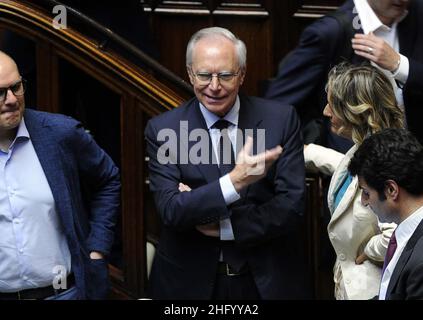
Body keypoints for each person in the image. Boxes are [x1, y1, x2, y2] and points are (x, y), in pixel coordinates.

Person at [145, 27, 310, 299]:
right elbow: (172, 211)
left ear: (241, 74)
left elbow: (291, 206)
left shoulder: (279, 120)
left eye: (224, 75)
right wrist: (235, 182)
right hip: (189, 284)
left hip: (265, 282)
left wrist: (225, 225)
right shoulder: (164, 130)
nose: (214, 86)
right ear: (189, 73)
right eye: (203, 75)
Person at [0, 51, 120, 300]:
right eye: (0, 92)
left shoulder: (59, 133)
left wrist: (96, 248)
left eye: (16, 87)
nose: (11, 99)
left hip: (64, 293)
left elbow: (107, 179)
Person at [264, 0, 423, 151]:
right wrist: (315, 152)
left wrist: (400, 64)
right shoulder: (330, 32)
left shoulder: (416, 12)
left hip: (411, 160)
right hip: (346, 164)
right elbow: (275, 106)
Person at [304, 63, 403, 299]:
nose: (326, 112)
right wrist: (308, 152)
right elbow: (354, 173)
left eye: (333, 105)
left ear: (356, 111)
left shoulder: (387, 162)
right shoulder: (366, 148)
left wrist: (368, 250)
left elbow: (397, 235)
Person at [349, 128, 423, 300]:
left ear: (391, 190)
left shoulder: (420, 261)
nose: (363, 201)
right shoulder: (406, 234)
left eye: (366, 192)